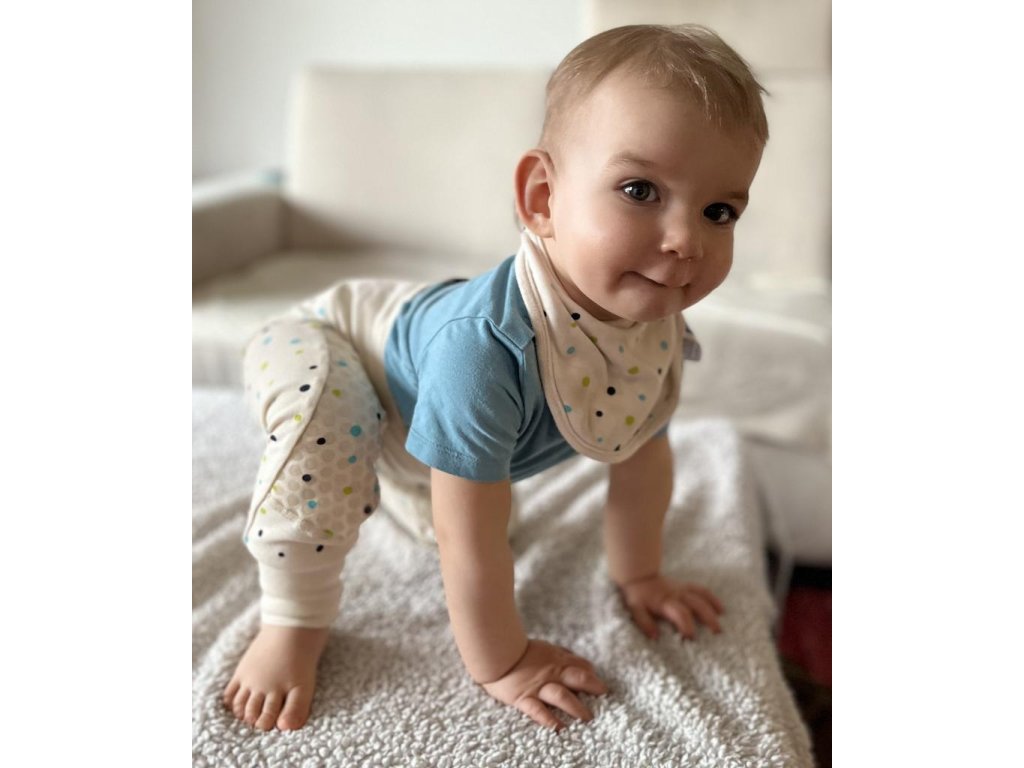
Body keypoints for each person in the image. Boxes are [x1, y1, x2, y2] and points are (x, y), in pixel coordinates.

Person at [222, 23, 768, 733]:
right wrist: (503, 662)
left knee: (452, 476)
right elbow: (470, 538)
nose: (686, 241)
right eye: (640, 190)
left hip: (416, 372)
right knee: (329, 437)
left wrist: (640, 574)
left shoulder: (653, 329)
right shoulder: (483, 352)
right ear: (542, 198)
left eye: (719, 211)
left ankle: (409, 476)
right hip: (325, 341)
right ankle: (291, 623)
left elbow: (642, 459)